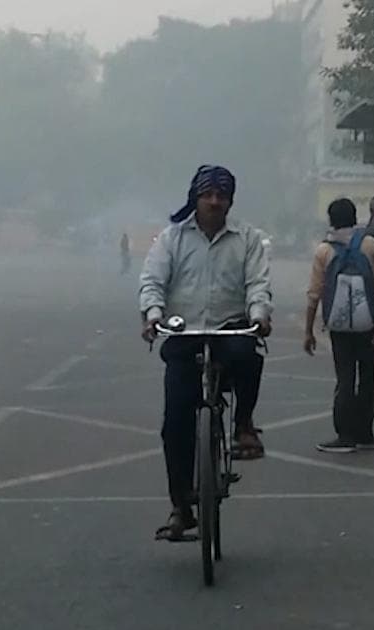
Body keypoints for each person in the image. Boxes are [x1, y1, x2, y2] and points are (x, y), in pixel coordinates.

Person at [139, 164, 273, 540]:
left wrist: (260, 315)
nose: (215, 202)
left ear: (230, 200)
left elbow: (257, 284)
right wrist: (153, 316)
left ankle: (244, 424)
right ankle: (182, 506)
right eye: (208, 195)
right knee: (174, 426)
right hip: (185, 331)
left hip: (230, 326)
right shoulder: (172, 239)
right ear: (195, 198)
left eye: (222, 196)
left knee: (249, 355)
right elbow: (152, 281)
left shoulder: (247, 239)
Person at [304, 198, 374, 453]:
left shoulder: (324, 251)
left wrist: (308, 331)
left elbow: (314, 293)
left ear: (331, 220)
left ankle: (345, 435)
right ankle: (366, 434)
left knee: (344, 378)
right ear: (355, 217)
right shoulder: (370, 245)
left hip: (339, 326)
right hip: (368, 324)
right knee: (367, 377)